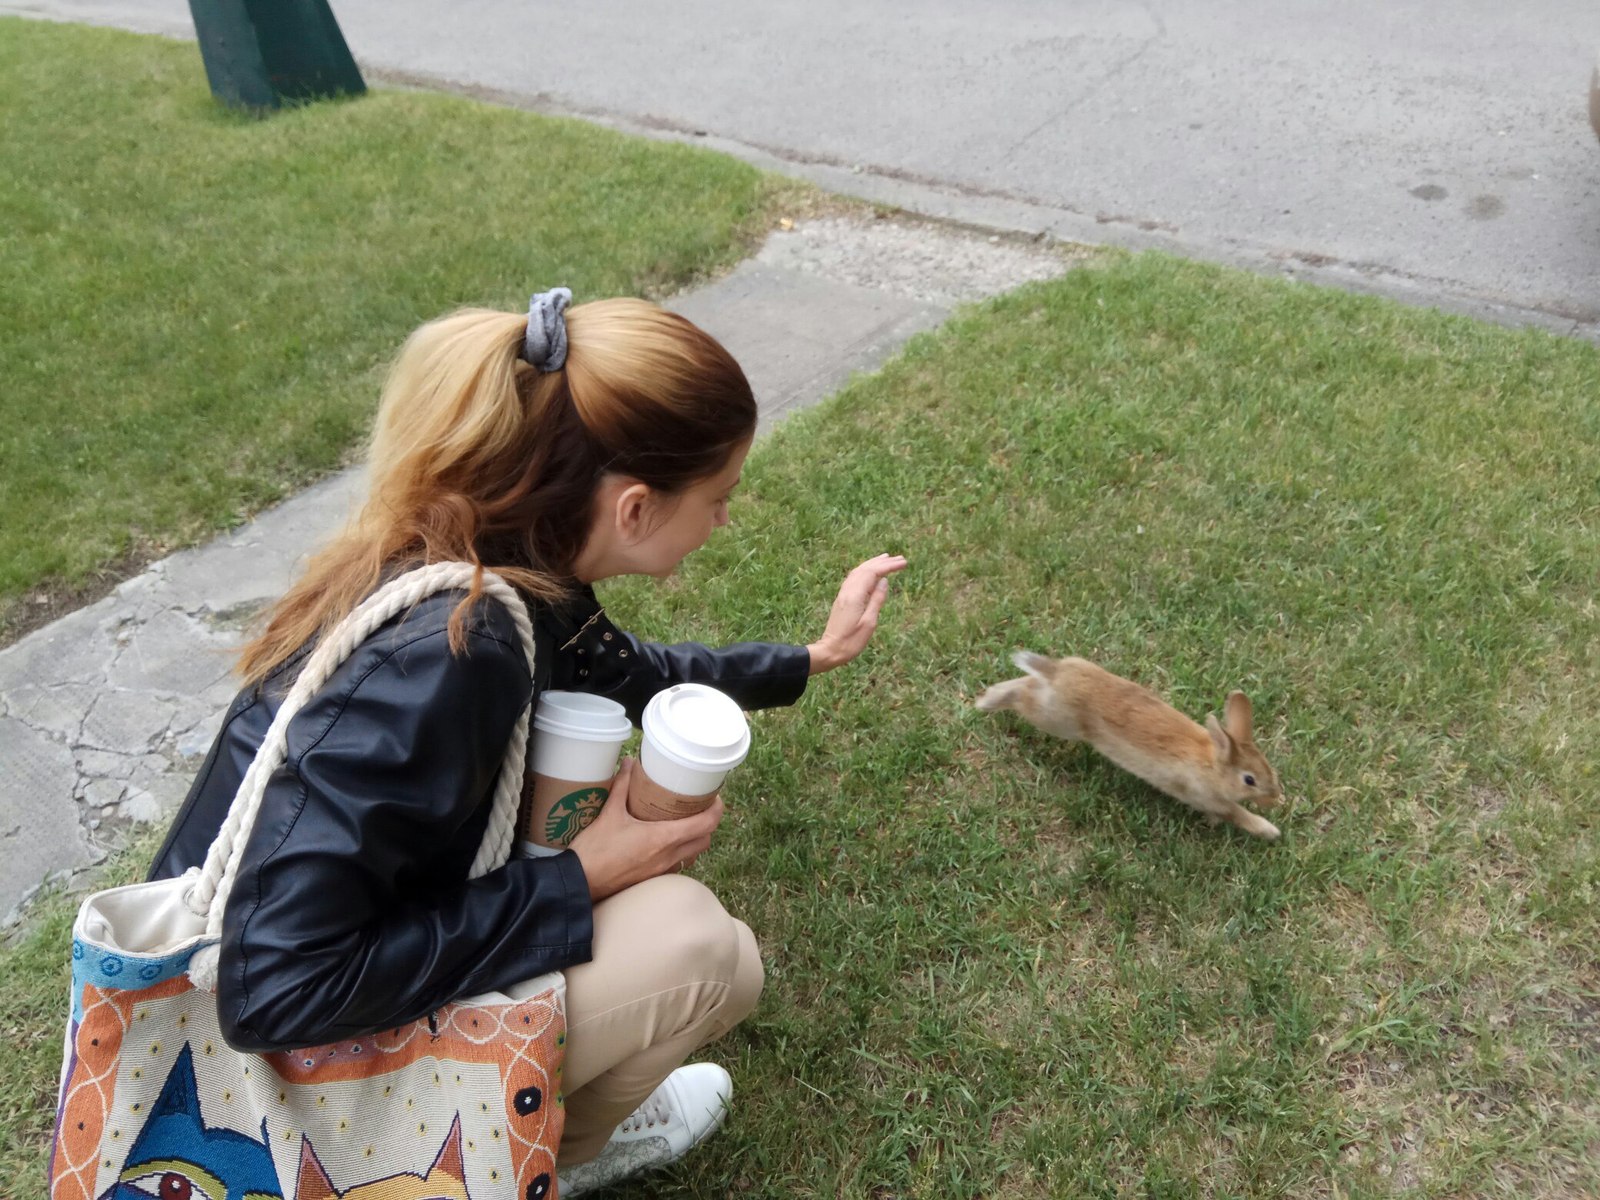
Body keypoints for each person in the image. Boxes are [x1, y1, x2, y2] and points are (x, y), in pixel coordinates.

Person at [147, 287, 907, 1195]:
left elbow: (629, 672)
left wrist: (807, 660)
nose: (726, 521)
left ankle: (531, 1122)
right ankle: (515, 1159)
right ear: (633, 508)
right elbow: (278, 991)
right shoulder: (451, 654)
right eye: (719, 497)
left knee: (717, 955)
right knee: (701, 950)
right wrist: (582, 876)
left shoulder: (500, 553)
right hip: (261, 1059)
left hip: (321, 964)